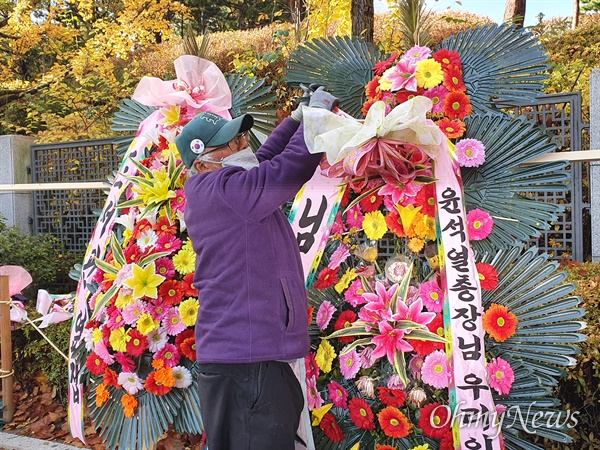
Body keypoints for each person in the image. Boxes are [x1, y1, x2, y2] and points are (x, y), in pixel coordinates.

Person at [176, 87, 339, 450]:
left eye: (240, 138)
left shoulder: (218, 186)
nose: (242, 147)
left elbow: (263, 159)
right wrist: (315, 118)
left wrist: (295, 121)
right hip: (248, 358)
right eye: (230, 145)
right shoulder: (225, 190)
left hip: (242, 354)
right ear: (200, 162)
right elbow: (284, 170)